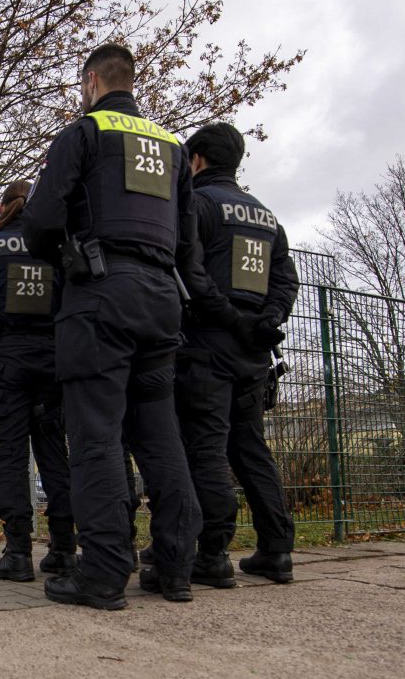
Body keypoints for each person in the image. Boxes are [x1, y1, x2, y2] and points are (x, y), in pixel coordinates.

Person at [23, 43, 248, 609]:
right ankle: (174, 567)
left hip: (100, 295)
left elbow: (42, 220)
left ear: (92, 80)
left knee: (95, 436)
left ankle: (102, 572)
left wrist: (67, 260)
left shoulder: (85, 133)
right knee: (160, 435)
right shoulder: (173, 147)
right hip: (160, 301)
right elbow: (188, 246)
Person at [173, 122, 299, 585]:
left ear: (198, 160)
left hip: (208, 343)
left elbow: (190, 270)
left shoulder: (199, 205)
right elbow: (286, 277)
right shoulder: (267, 216)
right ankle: (277, 550)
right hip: (254, 352)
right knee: (249, 448)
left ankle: (213, 553)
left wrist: (230, 318)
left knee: (204, 446)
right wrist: (269, 319)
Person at [0, 180, 76, 582]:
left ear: (4, 207)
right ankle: (64, 550)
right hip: (54, 362)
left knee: (9, 456)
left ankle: (18, 553)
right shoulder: (57, 247)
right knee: (56, 455)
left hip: (7, 362)